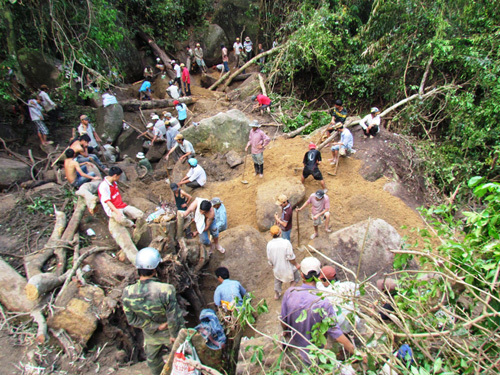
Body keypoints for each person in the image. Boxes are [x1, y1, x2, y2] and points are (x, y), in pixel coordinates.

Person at [280, 257, 362, 364]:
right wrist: (355, 352)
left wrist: (286, 332)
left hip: (294, 347)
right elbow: (335, 332)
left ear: (301, 275)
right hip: (314, 352)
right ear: (319, 276)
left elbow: (283, 321)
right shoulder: (323, 302)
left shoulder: (290, 293)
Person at [122, 247, 185, 375]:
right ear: (155, 270)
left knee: (154, 362)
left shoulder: (127, 292)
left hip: (151, 335)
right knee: (182, 360)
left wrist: (155, 326)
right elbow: (173, 317)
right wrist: (173, 335)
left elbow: (132, 320)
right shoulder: (166, 289)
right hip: (171, 335)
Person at [317, 265, 361, 334]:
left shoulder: (323, 293)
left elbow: (318, 285)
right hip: (355, 323)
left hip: (338, 329)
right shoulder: (349, 285)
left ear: (325, 280)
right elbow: (360, 290)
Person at [267, 225, 300, 300]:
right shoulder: (286, 243)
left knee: (277, 280)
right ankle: (291, 290)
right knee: (296, 277)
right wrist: (296, 264)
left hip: (277, 268)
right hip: (288, 267)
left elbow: (269, 258)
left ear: (270, 234)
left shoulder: (269, 244)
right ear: (280, 232)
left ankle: (277, 294)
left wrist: (272, 265)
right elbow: (291, 258)